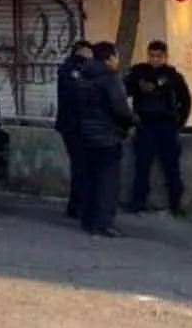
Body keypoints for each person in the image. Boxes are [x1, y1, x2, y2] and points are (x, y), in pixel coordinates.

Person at [123, 40, 192, 216]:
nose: (155, 59)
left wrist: (179, 123)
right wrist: (138, 85)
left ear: (165, 57)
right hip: (145, 124)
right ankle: (138, 202)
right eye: (152, 55)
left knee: (171, 167)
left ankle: (176, 204)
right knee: (142, 166)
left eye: (159, 56)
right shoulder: (139, 72)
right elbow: (125, 89)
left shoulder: (173, 76)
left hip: (167, 125)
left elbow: (185, 100)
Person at [74, 41, 136, 237]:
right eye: (116, 57)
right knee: (108, 182)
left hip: (86, 135)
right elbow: (120, 109)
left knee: (90, 179)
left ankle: (88, 220)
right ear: (109, 58)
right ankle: (104, 222)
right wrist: (130, 123)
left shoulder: (83, 77)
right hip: (108, 136)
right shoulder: (110, 78)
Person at [55, 40, 93, 219]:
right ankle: (77, 205)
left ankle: (78, 204)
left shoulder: (71, 68)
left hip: (72, 125)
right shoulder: (72, 69)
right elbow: (74, 95)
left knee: (80, 166)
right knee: (80, 166)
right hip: (74, 125)